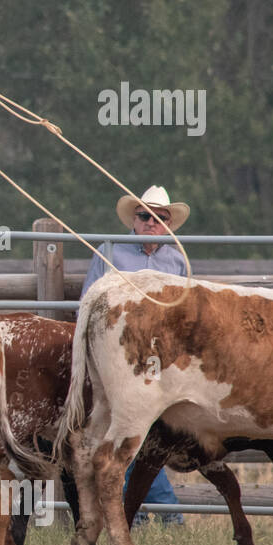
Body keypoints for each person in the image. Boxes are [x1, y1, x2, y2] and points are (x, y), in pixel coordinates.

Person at [82, 184, 190, 524]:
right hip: (120, 352)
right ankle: (162, 513)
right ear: (135, 219)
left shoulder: (178, 258)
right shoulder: (110, 251)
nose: (152, 223)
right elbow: (89, 301)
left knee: (138, 429)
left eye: (160, 217)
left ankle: (139, 513)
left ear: (168, 223)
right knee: (133, 428)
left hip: (160, 353)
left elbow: (186, 311)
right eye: (145, 216)